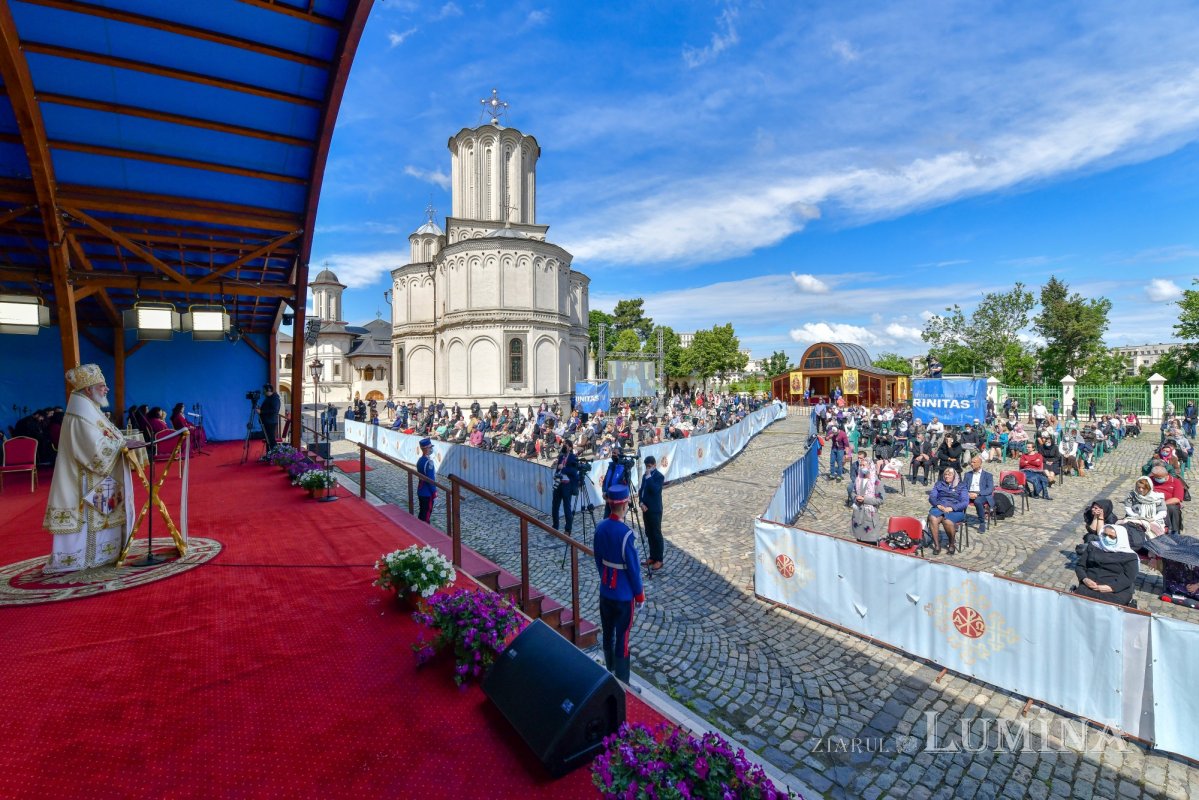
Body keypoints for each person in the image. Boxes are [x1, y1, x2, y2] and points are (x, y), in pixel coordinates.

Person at [42, 365, 135, 574]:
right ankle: (80, 558)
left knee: (104, 516)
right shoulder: (79, 415)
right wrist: (120, 445)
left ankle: (104, 554)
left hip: (100, 480)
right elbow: (92, 451)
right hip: (85, 481)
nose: (107, 389)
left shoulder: (91, 410)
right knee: (87, 521)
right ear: (88, 389)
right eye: (102, 386)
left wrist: (121, 442)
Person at [593, 483, 644, 684]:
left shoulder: (600, 527)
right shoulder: (627, 534)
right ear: (624, 505)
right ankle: (623, 682)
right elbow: (634, 569)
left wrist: (605, 576)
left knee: (608, 632)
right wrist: (639, 595)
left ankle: (610, 670)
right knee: (622, 637)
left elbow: (598, 558)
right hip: (623, 595)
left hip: (606, 590)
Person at [1073, 524, 1138, 606]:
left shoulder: (1130, 556)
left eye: (1112, 537)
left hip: (1116, 590)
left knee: (1113, 606)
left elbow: (1129, 577)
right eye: (1105, 535)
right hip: (1090, 585)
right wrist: (1085, 579)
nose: (1107, 538)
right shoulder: (1093, 546)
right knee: (1078, 601)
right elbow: (1080, 566)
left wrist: (1111, 587)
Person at [926, 467, 968, 555]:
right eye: (945, 474)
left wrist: (952, 508)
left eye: (949, 475)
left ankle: (951, 544)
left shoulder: (961, 486)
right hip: (940, 507)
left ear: (954, 476)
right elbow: (932, 497)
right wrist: (938, 505)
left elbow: (965, 502)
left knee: (947, 521)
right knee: (932, 518)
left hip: (955, 509)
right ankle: (937, 545)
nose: (946, 476)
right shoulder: (939, 484)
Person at [849, 451, 884, 544]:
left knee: (869, 541)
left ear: (870, 466)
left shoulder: (876, 482)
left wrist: (865, 499)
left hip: (870, 516)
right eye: (861, 465)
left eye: (864, 465)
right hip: (858, 514)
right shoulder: (858, 479)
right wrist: (856, 497)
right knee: (858, 540)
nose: (862, 467)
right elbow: (852, 492)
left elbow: (880, 500)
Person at [639, 455, 665, 570]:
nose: (647, 468)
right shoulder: (645, 476)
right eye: (646, 466)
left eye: (649, 466)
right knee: (649, 533)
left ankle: (659, 559)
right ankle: (652, 556)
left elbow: (654, 490)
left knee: (656, 534)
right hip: (645, 509)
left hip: (655, 510)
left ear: (654, 465)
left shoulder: (659, 476)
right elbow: (641, 491)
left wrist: (649, 477)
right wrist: (641, 502)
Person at [550, 439, 579, 538]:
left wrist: (564, 468)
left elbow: (574, 471)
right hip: (558, 484)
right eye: (563, 444)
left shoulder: (573, 457)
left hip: (567, 485)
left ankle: (567, 530)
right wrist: (556, 473)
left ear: (570, 447)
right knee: (555, 507)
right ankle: (555, 528)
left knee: (567, 508)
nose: (564, 446)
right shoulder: (561, 456)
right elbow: (558, 468)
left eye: (566, 445)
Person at [962, 454, 995, 534]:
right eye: (971, 462)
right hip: (969, 493)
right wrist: (967, 493)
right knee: (957, 497)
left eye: (974, 462)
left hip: (981, 494)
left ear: (980, 463)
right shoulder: (967, 474)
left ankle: (982, 522)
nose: (971, 464)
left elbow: (990, 489)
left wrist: (978, 494)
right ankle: (957, 518)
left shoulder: (988, 475)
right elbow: (963, 486)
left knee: (977, 501)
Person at [1149, 464, 1185, 534]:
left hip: (1168, 503)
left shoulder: (1175, 482)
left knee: (1171, 508)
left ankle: (1174, 531)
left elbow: (1177, 499)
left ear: (1166, 474)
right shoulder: (1150, 480)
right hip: (1151, 502)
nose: (1157, 479)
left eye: (1160, 478)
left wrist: (1162, 504)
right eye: (1155, 477)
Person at [416, 438, 437, 524]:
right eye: (430, 447)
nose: (431, 449)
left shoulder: (420, 460)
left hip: (421, 490)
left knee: (422, 512)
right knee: (426, 515)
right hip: (427, 492)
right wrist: (434, 492)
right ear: (425, 449)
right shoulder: (429, 462)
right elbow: (430, 479)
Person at [258, 384, 281, 455]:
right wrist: (261, 409)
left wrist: (261, 411)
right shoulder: (268, 398)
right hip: (267, 421)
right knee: (268, 439)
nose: (263, 391)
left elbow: (274, 410)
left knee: (271, 440)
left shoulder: (274, 398)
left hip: (270, 422)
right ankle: (269, 455)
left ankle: (276, 456)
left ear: (268, 390)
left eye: (264, 390)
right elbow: (268, 408)